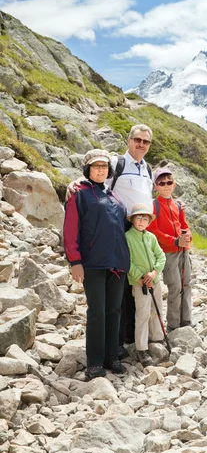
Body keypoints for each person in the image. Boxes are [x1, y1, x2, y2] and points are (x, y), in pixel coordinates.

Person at [66, 124, 154, 353]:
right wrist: (73, 182)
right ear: (129, 140)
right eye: (138, 140)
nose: (141, 144)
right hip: (118, 228)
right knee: (121, 288)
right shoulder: (117, 162)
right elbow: (96, 171)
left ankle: (129, 337)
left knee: (133, 282)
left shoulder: (148, 169)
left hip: (140, 229)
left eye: (146, 142)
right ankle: (118, 342)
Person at [63, 149, 130, 380]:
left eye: (104, 166)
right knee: (97, 312)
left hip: (117, 262)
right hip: (92, 262)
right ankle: (94, 362)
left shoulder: (112, 194)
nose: (101, 169)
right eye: (96, 166)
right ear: (87, 169)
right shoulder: (79, 194)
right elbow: (70, 229)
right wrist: (75, 261)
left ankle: (112, 357)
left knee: (114, 311)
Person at [147, 166, 192, 333]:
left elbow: (185, 226)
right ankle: (173, 324)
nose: (166, 185)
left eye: (169, 182)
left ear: (174, 185)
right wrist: (175, 241)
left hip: (183, 250)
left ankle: (186, 320)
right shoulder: (153, 205)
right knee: (175, 287)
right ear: (156, 186)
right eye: (162, 183)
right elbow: (154, 231)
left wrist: (188, 237)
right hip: (168, 252)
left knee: (186, 284)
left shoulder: (178, 206)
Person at [125, 203, 166, 367]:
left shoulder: (151, 237)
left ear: (149, 222)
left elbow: (161, 256)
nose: (142, 221)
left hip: (154, 280)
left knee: (157, 309)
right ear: (133, 220)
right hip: (139, 283)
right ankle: (141, 348)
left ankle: (157, 337)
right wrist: (139, 277)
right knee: (142, 313)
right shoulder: (128, 237)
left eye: (145, 218)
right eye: (138, 217)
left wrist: (155, 273)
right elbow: (126, 261)